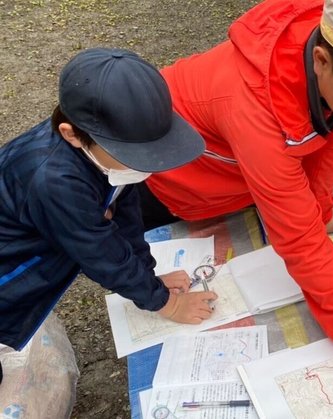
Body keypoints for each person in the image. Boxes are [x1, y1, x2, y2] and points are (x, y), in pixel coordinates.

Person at [137, 0, 333, 385]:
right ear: (322, 61)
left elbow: (329, 132)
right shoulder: (252, 108)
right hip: (163, 184)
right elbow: (298, 239)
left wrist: (320, 208)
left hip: (229, 175)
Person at [0, 48, 218, 364]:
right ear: (72, 134)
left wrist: (148, 276)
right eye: (132, 155)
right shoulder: (54, 181)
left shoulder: (106, 155)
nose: (145, 166)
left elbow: (127, 215)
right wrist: (165, 303)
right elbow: (100, 254)